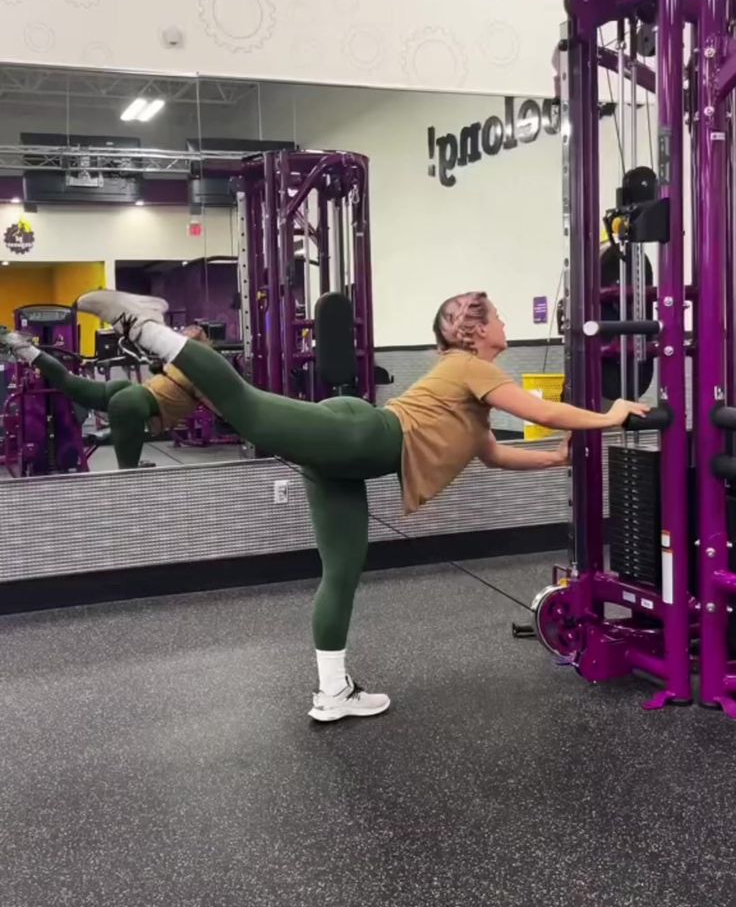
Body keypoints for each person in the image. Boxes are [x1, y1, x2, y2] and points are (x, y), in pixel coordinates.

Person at [75, 287, 648, 724]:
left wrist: (555, 461)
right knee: (244, 405)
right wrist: (609, 415)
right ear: (472, 331)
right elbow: (541, 413)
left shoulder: (465, 390)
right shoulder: (474, 368)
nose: (505, 322)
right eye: (496, 314)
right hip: (358, 435)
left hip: (345, 464)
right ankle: (146, 324)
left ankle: (333, 693)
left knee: (342, 572)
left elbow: (492, 453)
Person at [0, 319, 216, 470]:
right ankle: (127, 479)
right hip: (131, 403)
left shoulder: (177, 360)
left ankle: (19, 346)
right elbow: (224, 407)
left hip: (124, 390)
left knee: (66, 380)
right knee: (127, 473)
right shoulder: (203, 372)